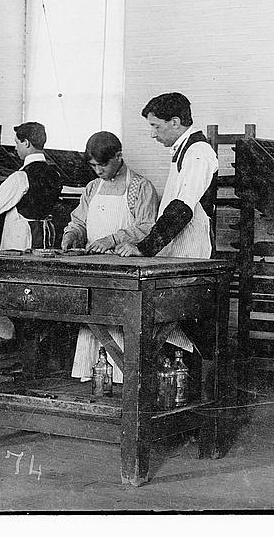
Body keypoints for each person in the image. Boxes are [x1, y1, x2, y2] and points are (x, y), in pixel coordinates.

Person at [61, 131, 160, 383]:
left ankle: (124, 383)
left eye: (102, 165)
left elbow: (147, 226)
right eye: (92, 166)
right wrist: (72, 233)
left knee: (119, 325)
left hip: (125, 273)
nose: (97, 171)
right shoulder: (93, 188)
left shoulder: (141, 187)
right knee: (93, 321)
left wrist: (113, 239)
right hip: (96, 270)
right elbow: (79, 220)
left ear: (118, 156)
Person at [0, 122, 61, 340]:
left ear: (26, 142)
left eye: (17, 143)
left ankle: (17, 348)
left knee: (17, 295)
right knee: (38, 295)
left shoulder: (20, 177)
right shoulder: (54, 173)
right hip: (43, 238)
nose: (15, 148)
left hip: (19, 239)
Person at [115, 92, 218, 259]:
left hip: (190, 249)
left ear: (175, 122)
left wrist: (145, 248)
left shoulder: (198, 151)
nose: (152, 134)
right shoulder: (183, 150)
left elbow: (182, 208)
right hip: (177, 249)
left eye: (156, 126)